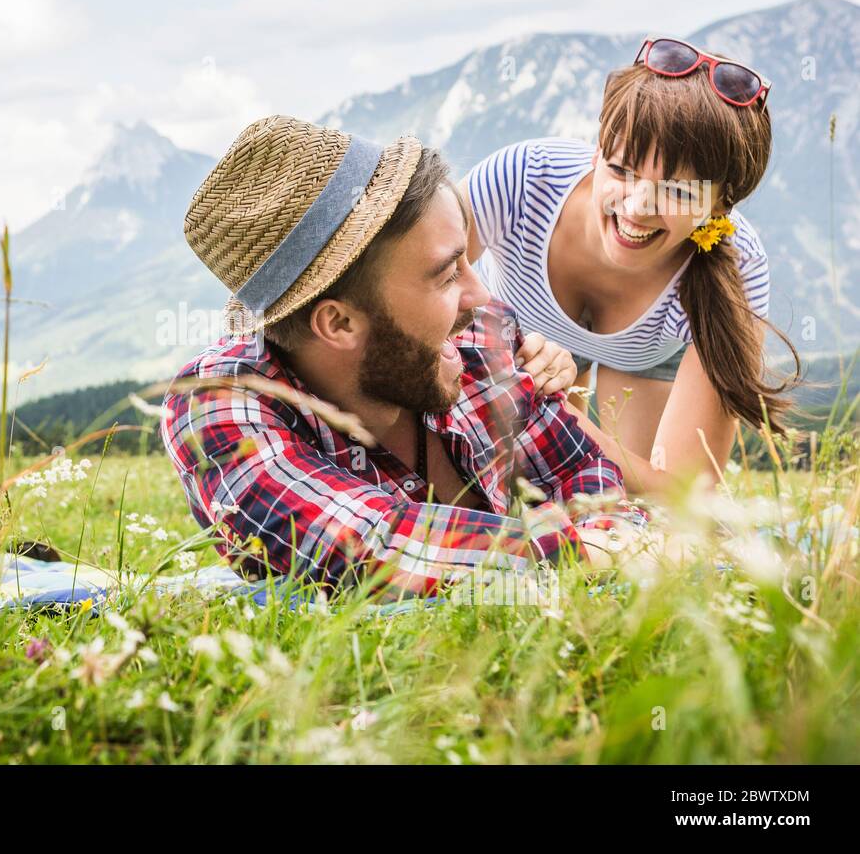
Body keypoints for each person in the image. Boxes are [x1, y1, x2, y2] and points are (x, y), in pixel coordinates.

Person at [159, 115, 645, 599]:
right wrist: (587, 555)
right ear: (339, 323)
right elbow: (371, 546)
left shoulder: (480, 335)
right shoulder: (215, 407)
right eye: (446, 273)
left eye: (467, 260)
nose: (481, 295)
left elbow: (579, 472)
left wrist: (610, 534)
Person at [465, 37, 800, 492]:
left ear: (719, 207)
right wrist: (503, 360)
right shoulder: (523, 179)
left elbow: (686, 493)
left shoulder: (739, 266)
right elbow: (418, 285)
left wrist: (549, 412)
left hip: (642, 356)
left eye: (678, 192)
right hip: (520, 336)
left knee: (642, 509)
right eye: (621, 169)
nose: (638, 207)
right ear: (597, 147)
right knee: (527, 489)